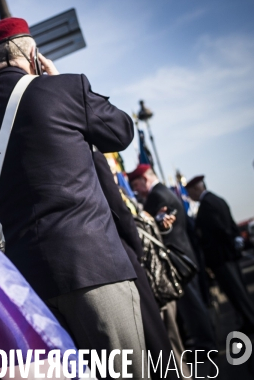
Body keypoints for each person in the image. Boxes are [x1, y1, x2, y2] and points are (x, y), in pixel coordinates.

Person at [0, 17, 147, 379]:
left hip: (23, 291)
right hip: (94, 269)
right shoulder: (67, 89)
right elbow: (121, 131)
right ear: (34, 53)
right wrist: (57, 81)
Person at [92, 151, 183, 379]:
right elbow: (123, 217)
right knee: (156, 338)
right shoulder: (92, 157)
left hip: (139, 265)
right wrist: (138, 251)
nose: (116, 174)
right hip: (128, 261)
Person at [128, 165, 217, 359]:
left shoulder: (157, 196)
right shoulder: (162, 193)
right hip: (182, 256)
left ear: (145, 178)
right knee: (193, 304)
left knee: (192, 306)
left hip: (176, 260)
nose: (134, 189)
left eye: (135, 183)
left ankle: (206, 347)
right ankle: (205, 342)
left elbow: (159, 228)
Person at [185, 175, 254, 333]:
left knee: (236, 292)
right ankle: (247, 319)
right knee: (240, 290)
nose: (189, 196)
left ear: (197, 189)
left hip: (221, 257)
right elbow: (230, 223)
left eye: (190, 192)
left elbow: (218, 230)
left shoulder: (207, 205)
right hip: (229, 255)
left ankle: (249, 321)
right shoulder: (217, 199)